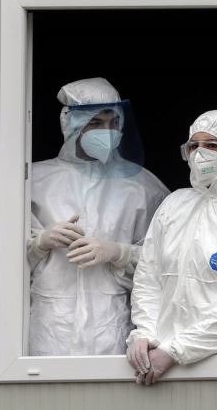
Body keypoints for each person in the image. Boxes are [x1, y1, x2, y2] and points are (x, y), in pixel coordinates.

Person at [27, 77, 169, 356]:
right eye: (95, 123)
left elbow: (168, 262)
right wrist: (39, 243)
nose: (107, 132)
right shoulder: (33, 181)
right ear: (71, 124)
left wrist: (120, 252)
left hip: (112, 327)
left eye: (113, 123)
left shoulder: (143, 186)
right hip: (50, 329)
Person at [126, 109, 217, 385]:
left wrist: (176, 351)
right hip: (159, 364)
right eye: (194, 146)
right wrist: (145, 333)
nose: (200, 154)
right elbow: (148, 279)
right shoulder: (175, 204)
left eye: (212, 145)